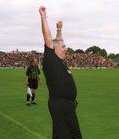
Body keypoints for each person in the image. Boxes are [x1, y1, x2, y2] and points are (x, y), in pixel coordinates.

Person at [39, 6, 82, 139]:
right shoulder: (51, 62)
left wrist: (59, 30)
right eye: (64, 47)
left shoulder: (60, 61)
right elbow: (48, 39)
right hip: (60, 105)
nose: (66, 49)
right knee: (63, 136)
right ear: (54, 49)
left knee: (75, 135)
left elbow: (58, 42)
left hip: (68, 106)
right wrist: (43, 17)